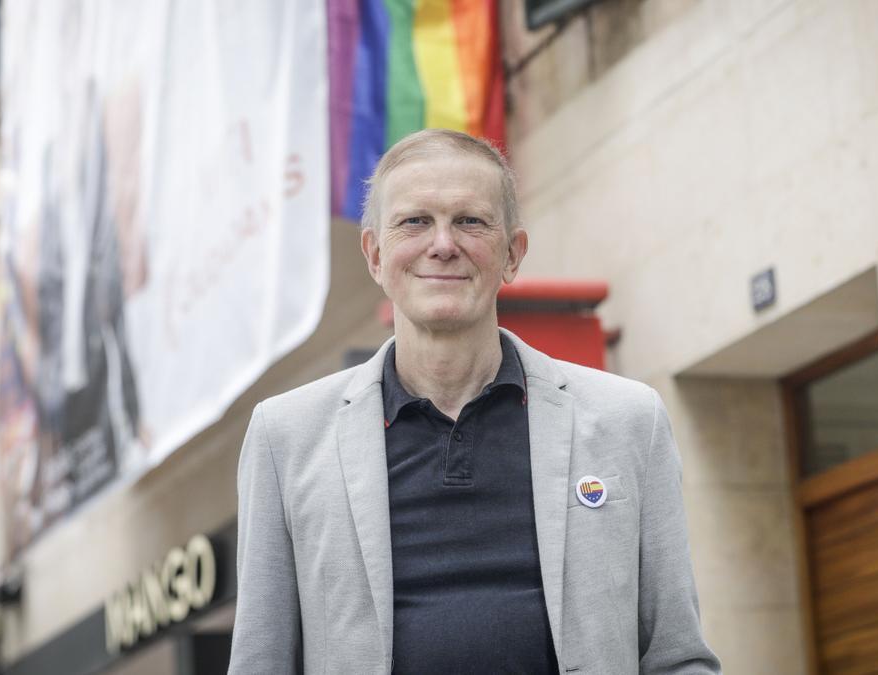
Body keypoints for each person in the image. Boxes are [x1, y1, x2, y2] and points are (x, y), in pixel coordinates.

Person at [229, 129, 721, 674]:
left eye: (470, 221)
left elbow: (677, 656)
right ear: (375, 254)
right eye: (415, 221)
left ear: (512, 254)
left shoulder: (629, 422)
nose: (443, 243)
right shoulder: (286, 437)